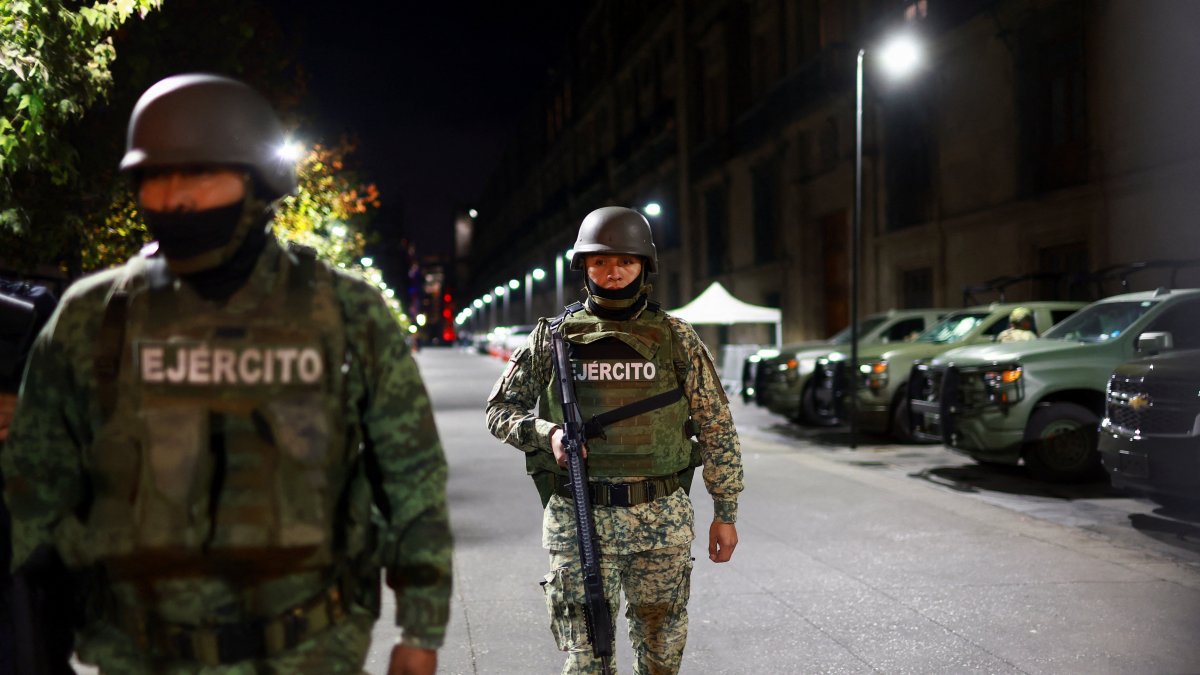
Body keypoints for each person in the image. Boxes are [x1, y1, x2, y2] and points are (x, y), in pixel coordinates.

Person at [1, 74, 452, 674]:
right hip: (140, 656)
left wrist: (420, 632)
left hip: (312, 651)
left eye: (198, 173)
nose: (176, 197)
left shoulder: (344, 310)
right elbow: (34, 493)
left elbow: (411, 478)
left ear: (258, 182)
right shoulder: (91, 316)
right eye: (157, 177)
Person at [486, 206, 743, 674]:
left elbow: (716, 427)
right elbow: (499, 411)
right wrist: (550, 434)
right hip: (579, 518)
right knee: (587, 662)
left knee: (661, 655)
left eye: (624, 260)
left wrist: (725, 513)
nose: (613, 271)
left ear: (644, 265)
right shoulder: (554, 337)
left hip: (659, 520)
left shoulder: (676, 338)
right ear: (583, 266)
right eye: (600, 261)